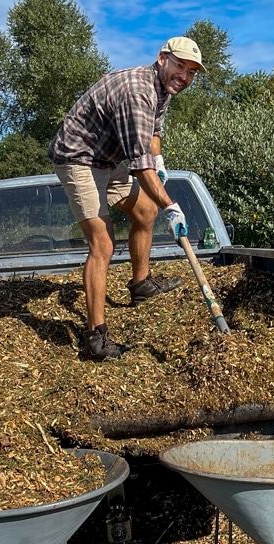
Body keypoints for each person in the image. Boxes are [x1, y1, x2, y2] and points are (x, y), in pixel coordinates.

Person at [49, 36, 205, 361]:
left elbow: (154, 135)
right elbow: (139, 166)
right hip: (78, 157)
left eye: (192, 72)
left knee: (145, 211)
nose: (185, 76)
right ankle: (96, 338)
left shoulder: (164, 89)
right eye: (180, 66)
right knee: (103, 244)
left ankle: (140, 284)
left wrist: (159, 161)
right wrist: (171, 207)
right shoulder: (137, 91)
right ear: (163, 58)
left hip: (106, 158)